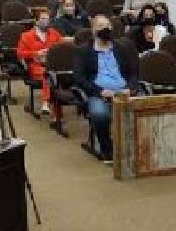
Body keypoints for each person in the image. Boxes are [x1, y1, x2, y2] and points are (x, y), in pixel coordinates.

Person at [74, 14, 138, 163]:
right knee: (100, 114)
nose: (106, 29)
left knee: (143, 109)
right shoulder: (83, 51)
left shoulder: (121, 48)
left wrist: (131, 87)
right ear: (93, 31)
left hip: (124, 91)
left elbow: (133, 72)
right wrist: (99, 91)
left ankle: (135, 148)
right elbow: (79, 78)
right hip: (99, 93)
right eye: (101, 26)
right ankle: (107, 150)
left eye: (108, 26)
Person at [17, 9, 64, 116]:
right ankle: (46, 102)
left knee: (56, 75)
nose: (46, 21)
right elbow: (20, 54)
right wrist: (36, 53)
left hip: (54, 65)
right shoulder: (26, 36)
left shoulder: (55, 34)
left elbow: (62, 48)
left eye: (47, 19)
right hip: (36, 66)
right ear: (36, 21)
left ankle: (56, 109)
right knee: (48, 75)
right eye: (43, 19)